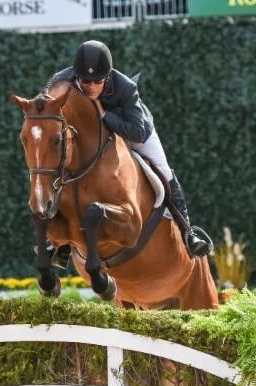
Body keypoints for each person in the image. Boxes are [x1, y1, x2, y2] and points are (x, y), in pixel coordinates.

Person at [44, 40, 212, 260]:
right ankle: (57, 241)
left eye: (98, 81)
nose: (91, 87)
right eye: (86, 81)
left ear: (108, 75)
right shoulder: (61, 80)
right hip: (92, 136)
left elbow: (137, 132)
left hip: (133, 130)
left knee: (163, 172)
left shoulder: (125, 87)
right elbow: (44, 109)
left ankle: (188, 233)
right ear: (77, 75)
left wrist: (104, 115)